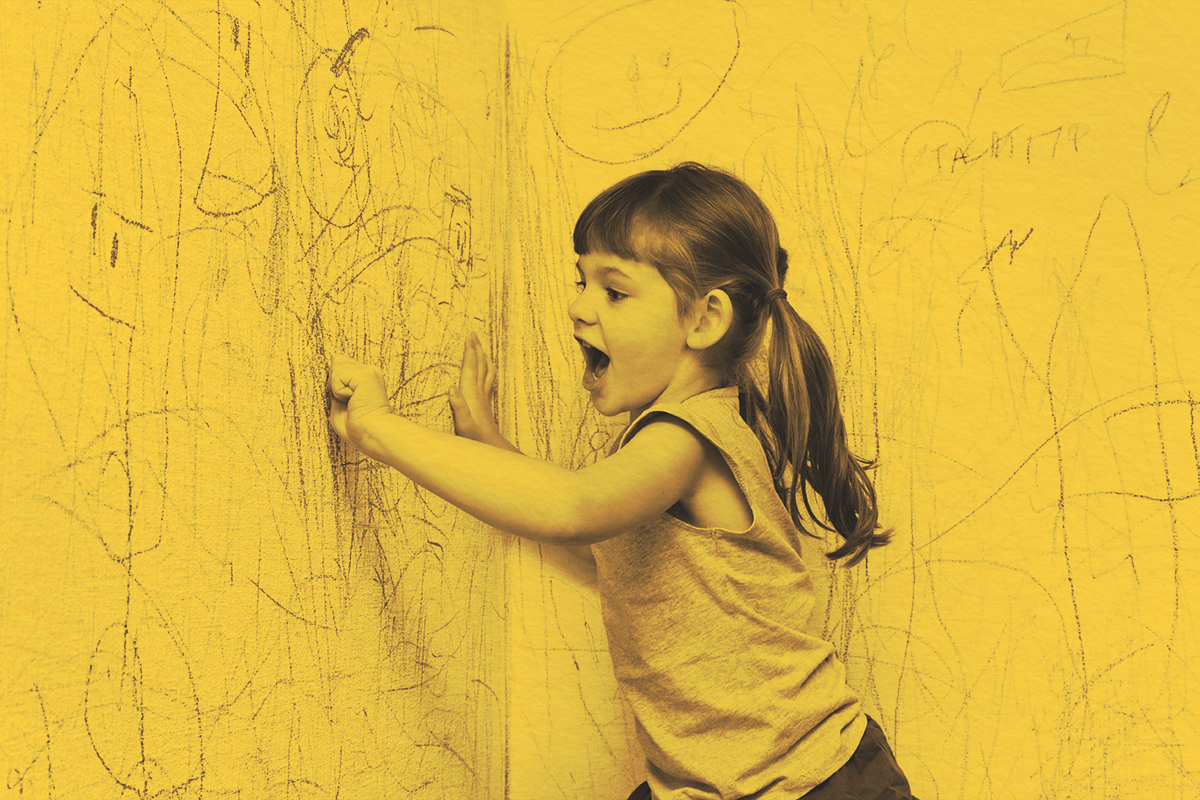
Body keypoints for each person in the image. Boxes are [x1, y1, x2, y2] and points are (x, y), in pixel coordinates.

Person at [328, 163, 917, 799]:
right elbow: (602, 548)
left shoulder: (687, 438)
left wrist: (378, 430)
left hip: (809, 783)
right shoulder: (690, 432)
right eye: (580, 280)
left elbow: (574, 508)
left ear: (704, 320)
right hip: (719, 781)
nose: (579, 307)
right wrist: (486, 445)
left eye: (614, 291)